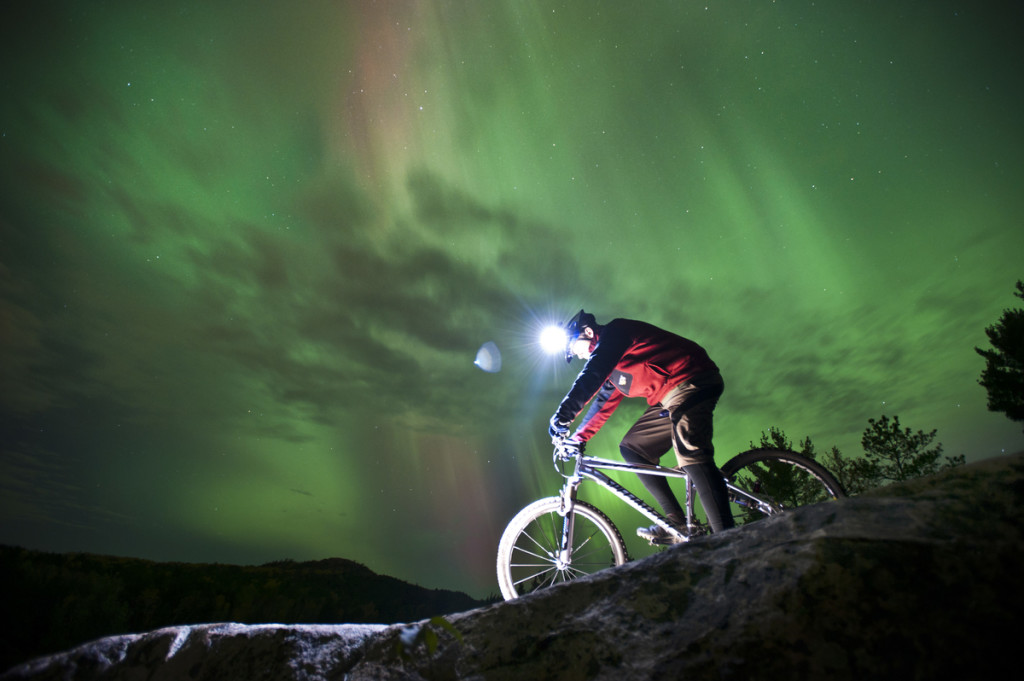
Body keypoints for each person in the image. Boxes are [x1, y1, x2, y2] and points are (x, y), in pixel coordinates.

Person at [548, 309, 734, 542]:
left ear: (588, 332)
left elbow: (593, 373)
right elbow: (602, 403)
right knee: (633, 448)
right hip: (669, 397)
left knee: (690, 452)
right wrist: (578, 439)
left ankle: (727, 540)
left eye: (576, 348)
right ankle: (675, 522)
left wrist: (562, 415)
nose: (578, 356)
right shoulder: (614, 369)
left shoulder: (616, 333)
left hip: (691, 378)